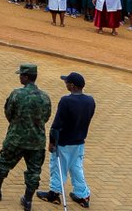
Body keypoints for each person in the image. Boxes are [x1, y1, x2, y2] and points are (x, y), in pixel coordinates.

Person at [0, 63, 52, 210]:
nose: (19, 77)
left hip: (16, 138)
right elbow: (46, 117)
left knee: (3, 162)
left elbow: (9, 112)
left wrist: (17, 123)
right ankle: (27, 200)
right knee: (34, 171)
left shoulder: (16, 94)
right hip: (37, 141)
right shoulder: (45, 97)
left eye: (21, 75)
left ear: (26, 77)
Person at [37, 72, 95, 208]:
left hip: (63, 142)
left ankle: (54, 193)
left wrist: (51, 142)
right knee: (76, 168)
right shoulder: (90, 101)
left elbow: (57, 125)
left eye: (67, 82)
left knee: (58, 167)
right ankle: (83, 195)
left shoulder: (66, 101)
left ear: (72, 85)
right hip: (79, 142)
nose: (65, 84)